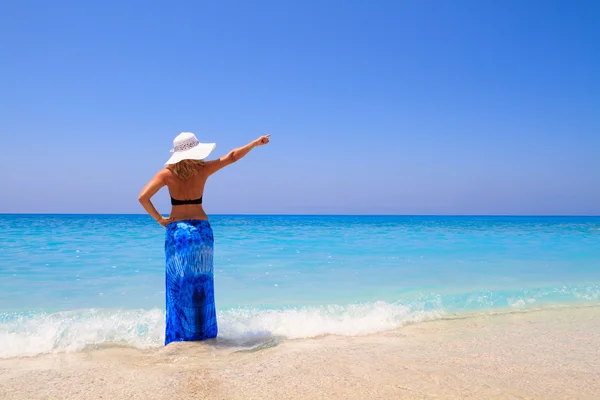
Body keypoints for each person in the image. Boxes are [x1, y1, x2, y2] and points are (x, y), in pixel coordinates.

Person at [138, 132, 270, 345]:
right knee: (202, 284)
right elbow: (232, 156)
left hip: (178, 233)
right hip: (201, 233)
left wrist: (160, 219)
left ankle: (180, 339)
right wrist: (254, 143)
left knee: (178, 284)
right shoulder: (203, 169)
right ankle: (204, 337)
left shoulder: (166, 174)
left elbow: (143, 197)